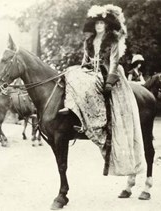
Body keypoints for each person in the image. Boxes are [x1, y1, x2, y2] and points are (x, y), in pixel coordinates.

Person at [59, 4, 144, 176]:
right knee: (71, 73)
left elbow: (114, 61)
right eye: (96, 23)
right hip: (92, 70)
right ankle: (73, 109)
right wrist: (84, 68)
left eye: (102, 23)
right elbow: (85, 60)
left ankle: (98, 120)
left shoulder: (112, 41)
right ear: (94, 26)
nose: (99, 26)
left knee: (93, 83)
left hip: (107, 72)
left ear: (106, 25)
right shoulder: (89, 41)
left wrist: (110, 81)